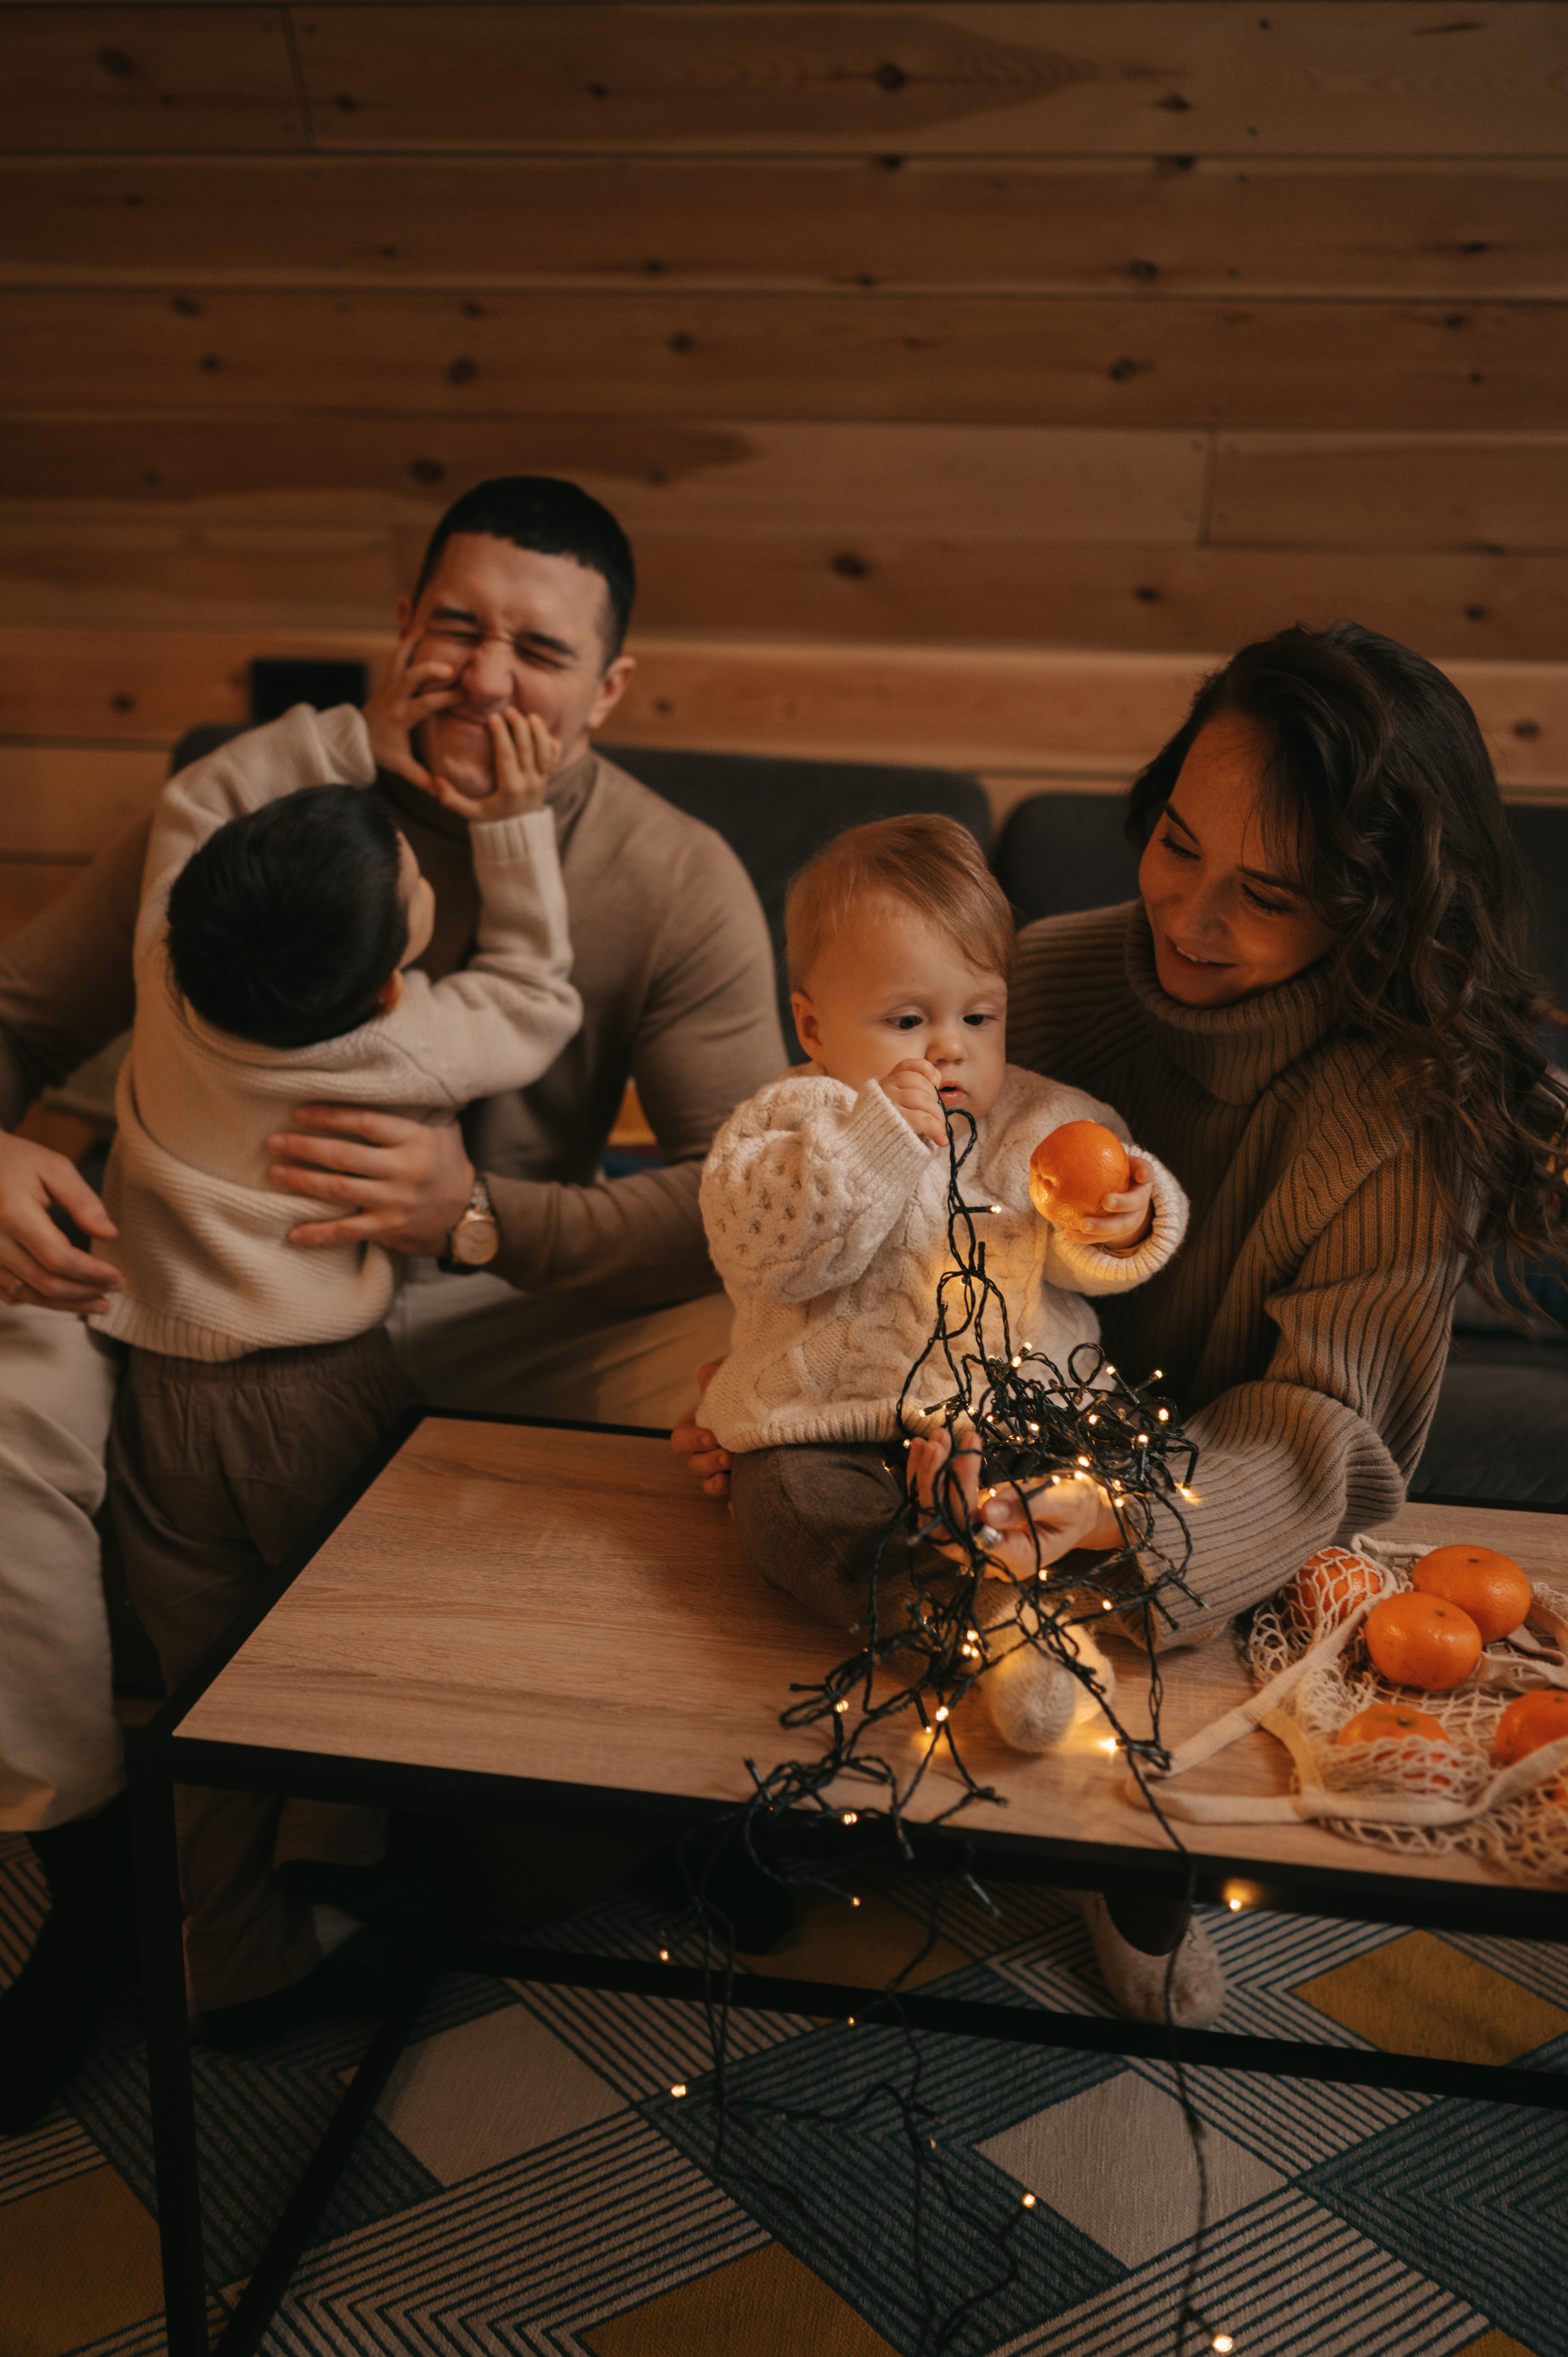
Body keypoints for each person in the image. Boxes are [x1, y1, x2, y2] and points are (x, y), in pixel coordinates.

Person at [0, 475, 784, 2127]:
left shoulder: (674, 872)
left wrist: (489, 1220)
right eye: (458, 626)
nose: (489, 680)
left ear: (610, 689)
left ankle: (685, 1801)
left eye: (542, 652)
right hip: (207, 1290)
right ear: (404, 629)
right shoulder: (246, 810)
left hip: (493, 1286)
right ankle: (79, 1856)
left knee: (779, 1354)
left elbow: (750, 1192)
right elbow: (22, 1010)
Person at [676, 622, 1568, 2025]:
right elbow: (874, 1206)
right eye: (1173, 842)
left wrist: (1121, 1507)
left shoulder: (1399, 1112)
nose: (1188, 919)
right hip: (967, 1423)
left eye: (1264, 893)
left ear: (1371, 908)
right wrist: (770, 1374)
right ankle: (810, 1821)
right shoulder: (1048, 975)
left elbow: (1328, 1424)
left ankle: (1123, 1869)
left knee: (1118, 1673)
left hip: (1197, 1486)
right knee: (795, 1531)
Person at [97, 699, 579, 2048]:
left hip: (162, 1393)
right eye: (416, 886)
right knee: (343, 1652)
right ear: (384, 983)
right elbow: (538, 996)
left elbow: (197, 803)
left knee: (207, 1692)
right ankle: (337, 1834)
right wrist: (511, 826)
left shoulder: (163, 969)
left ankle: (233, 1968)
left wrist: (336, 733)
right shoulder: (400, 1042)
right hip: (316, 1394)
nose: (423, 878)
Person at [698, 815, 1188, 1750]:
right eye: (909, 1021)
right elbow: (776, 1254)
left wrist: (1127, 1215)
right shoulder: (791, 1119)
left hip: (1014, 1421)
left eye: (978, 1016)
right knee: (785, 1512)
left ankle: (1030, 1594)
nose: (950, 1049)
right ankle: (985, 1633)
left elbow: (1092, 1263)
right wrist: (878, 1135)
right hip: (833, 1428)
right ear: (813, 1026)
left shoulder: (1048, 1116)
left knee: (1107, 1486)